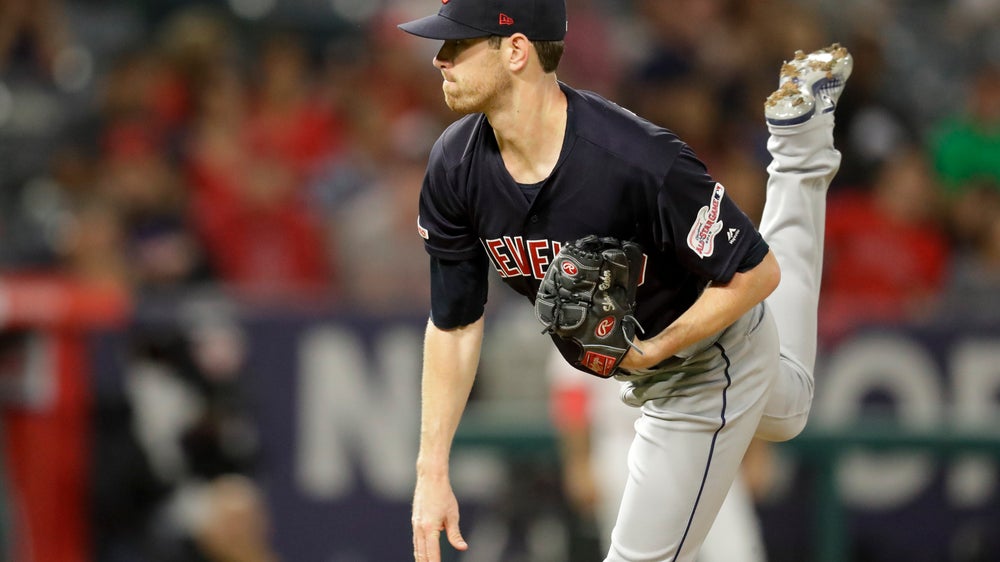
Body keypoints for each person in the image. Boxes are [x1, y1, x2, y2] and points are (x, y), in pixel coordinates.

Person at [398, 1, 851, 560]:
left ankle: (797, 155)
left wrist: (656, 349)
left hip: (707, 359)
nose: (440, 59)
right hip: (653, 369)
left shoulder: (636, 160)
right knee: (793, 406)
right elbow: (454, 325)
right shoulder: (454, 166)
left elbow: (757, 273)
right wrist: (431, 469)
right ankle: (800, 145)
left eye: (457, 44)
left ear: (516, 50)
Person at [546, 348, 770, 562]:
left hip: (709, 439)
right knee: (636, 554)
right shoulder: (593, 308)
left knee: (734, 552)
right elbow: (571, 388)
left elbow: (746, 376)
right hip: (625, 441)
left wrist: (756, 452)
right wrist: (578, 461)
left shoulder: (711, 308)